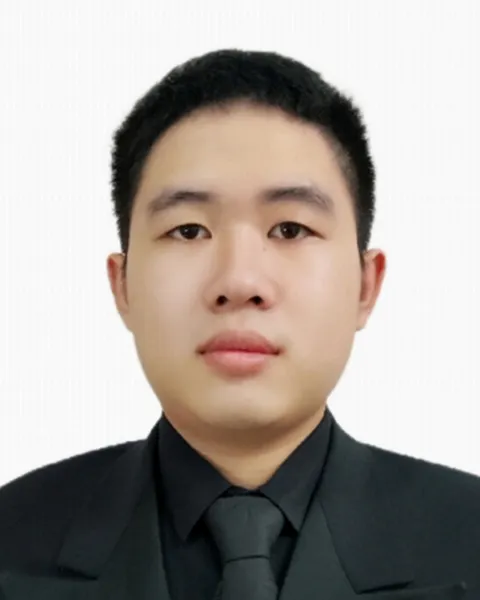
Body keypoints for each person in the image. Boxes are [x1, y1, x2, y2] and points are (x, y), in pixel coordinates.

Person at [0, 48, 478, 600]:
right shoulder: (13, 539)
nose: (239, 280)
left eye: (290, 229)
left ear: (365, 286)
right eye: (188, 231)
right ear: (122, 285)